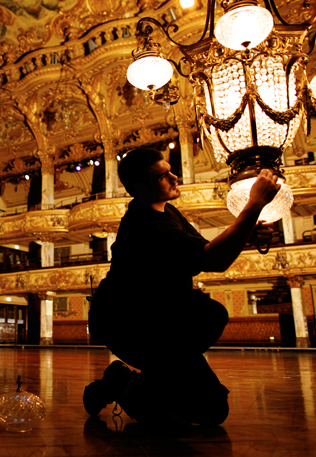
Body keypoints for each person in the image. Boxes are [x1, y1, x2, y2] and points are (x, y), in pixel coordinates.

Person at [84, 147, 281, 427]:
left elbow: (205, 248)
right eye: (164, 175)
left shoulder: (168, 212)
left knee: (214, 410)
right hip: (135, 328)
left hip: (165, 325)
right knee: (209, 315)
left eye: (170, 170)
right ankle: (120, 385)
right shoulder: (144, 225)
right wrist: (254, 204)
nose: (175, 177)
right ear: (140, 187)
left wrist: (248, 231)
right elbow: (214, 258)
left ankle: (132, 381)